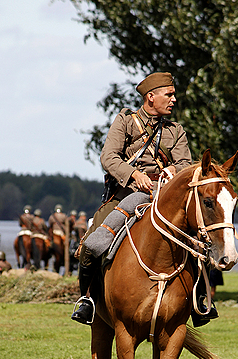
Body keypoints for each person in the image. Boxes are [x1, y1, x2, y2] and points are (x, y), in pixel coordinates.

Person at [72, 71, 201, 325]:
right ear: (151, 97)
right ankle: (87, 299)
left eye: (173, 94)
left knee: (199, 241)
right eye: (169, 95)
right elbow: (109, 157)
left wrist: (174, 170)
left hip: (164, 197)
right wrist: (133, 174)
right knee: (95, 239)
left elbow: (186, 163)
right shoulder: (126, 121)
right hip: (125, 195)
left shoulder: (176, 131)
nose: (174, 100)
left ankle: (199, 301)